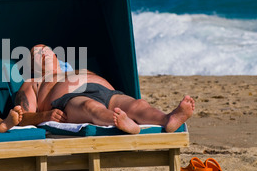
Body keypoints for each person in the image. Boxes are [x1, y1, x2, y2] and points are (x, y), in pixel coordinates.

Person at [15, 44, 195, 134]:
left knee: (138, 104)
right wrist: (45, 116)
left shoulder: (73, 70)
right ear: (32, 65)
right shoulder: (33, 82)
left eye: (46, 51)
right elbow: (20, 118)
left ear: (56, 57)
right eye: (36, 54)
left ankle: (168, 118)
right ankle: (121, 121)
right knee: (90, 108)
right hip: (69, 99)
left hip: (106, 91)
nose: (42, 53)